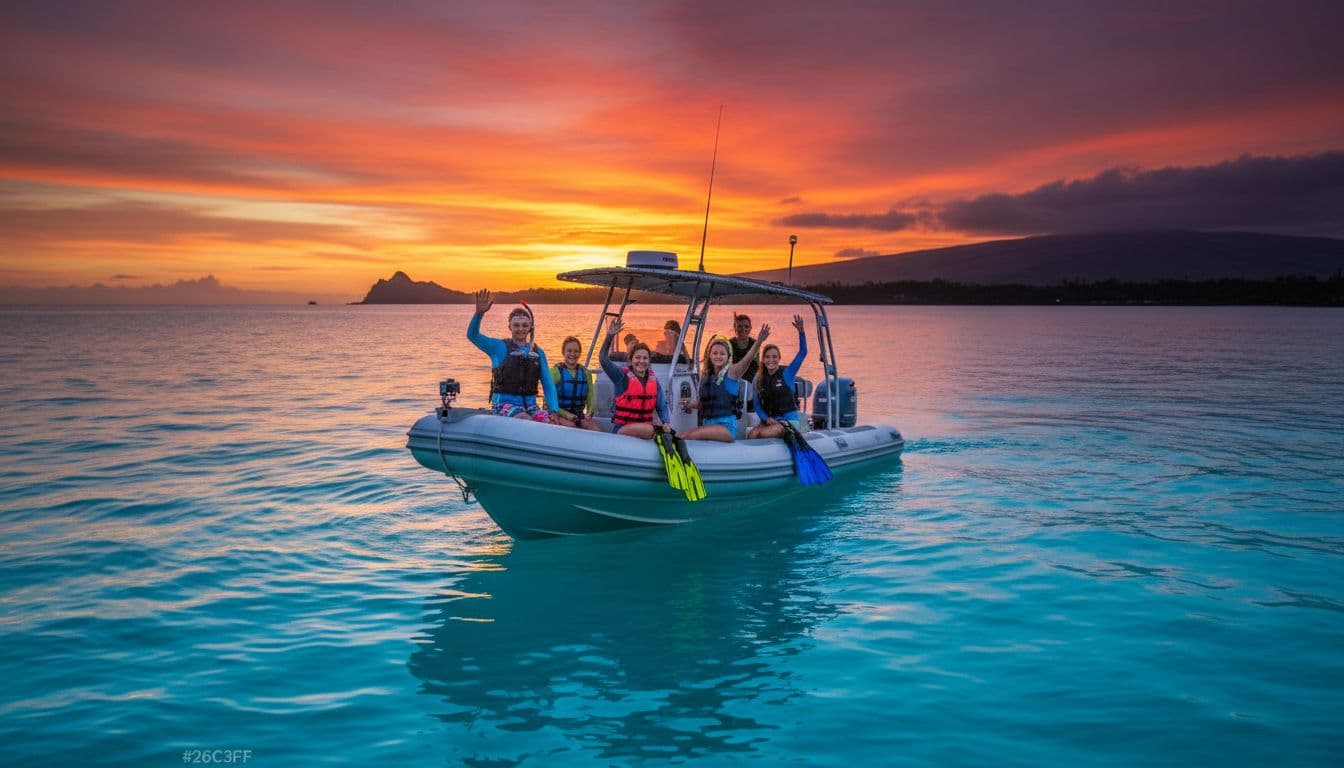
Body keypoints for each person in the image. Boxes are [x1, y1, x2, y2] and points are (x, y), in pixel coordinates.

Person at [467, 289, 558, 422]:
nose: (520, 329)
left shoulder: (538, 352)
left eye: (524, 325)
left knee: (550, 421)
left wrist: (553, 411)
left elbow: (548, 384)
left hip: (531, 406)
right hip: (503, 405)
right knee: (524, 418)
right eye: (516, 325)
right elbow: (472, 336)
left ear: (530, 328)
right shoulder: (498, 347)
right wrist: (479, 314)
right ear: (510, 327)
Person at [679, 325, 770, 442]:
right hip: (708, 424)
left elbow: (747, 360)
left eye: (722, 353)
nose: (718, 356)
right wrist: (691, 405)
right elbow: (705, 404)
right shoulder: (707, 376)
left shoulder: (732, 372)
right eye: (715, 353)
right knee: (688, 434)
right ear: (709, 355)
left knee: (687, 435)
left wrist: (758, 342)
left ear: (728, 356)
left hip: (726, 427)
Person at [599, 319, 671, 439]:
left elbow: (662, 405)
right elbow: (603, 359)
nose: (641, 361)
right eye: (637, 357)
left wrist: (666, 422)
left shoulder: (653, 380)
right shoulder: (621, 376)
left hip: (643, 432)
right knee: (650, 429)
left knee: (655, 429)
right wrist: (609, 336)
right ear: (631, 360)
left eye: (645, 358)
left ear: (649, 361)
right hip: (623, 431)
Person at [748, 315, 809, 439]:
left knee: (764, 434)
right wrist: (766, 418)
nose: (771, 360)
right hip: (771, 420)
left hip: (789, 421)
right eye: (768, 357)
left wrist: (801, 332)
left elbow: (803, 352)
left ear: (779, 358)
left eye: (774, 357)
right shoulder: (759, 378)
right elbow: (757, 404)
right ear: (763, 359)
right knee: (752, 435)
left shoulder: (788, 372)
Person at [550, 336, 601, 430]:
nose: (572, 354)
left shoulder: (586, 373)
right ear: (563, 352)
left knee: (595, 428)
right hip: (558, 414)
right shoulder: (555, 372)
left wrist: (589, 413)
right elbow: (548, 402)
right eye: (569, 351)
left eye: (576, 351)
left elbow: (590, 399)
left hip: (578, 416)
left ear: (580, 353)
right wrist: (568, 416)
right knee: (571, 426)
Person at [728, 313, 760, 382]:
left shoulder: (754, 343)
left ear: (750, 328)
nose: (743, 329)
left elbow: (757, 365)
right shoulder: (729, 344)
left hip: (751, 381)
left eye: (746, 326)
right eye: (739, 326)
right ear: (735, 327)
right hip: (734, 381)